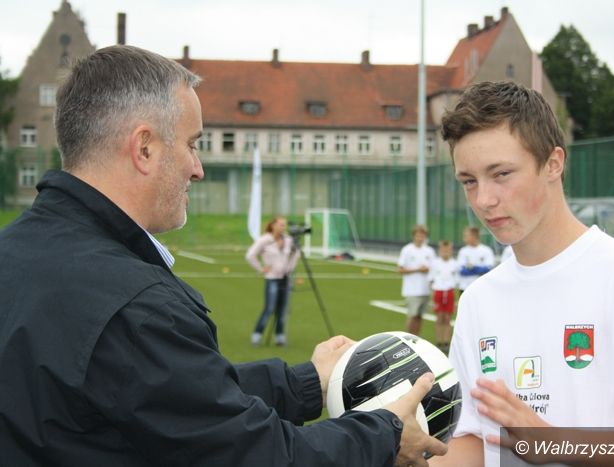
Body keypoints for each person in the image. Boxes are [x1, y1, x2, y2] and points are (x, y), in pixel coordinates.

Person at [0, 45, 448, 467]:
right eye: (193, 144)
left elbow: (179, 394)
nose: (198, 168)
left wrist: (308, 382)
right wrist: (387, 434)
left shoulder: (15, 251)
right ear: (144, 148)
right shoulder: (135, 306)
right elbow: (256, 453)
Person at [430, 81, 614, 466]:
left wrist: (556, 444)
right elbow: (473, 440)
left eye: (501, 173)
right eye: (469, 182)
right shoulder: (478, 299)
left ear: (553, 163)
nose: (484, 200)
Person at [246, 216, 299, 347]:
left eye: (284, 225)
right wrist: (261, 268)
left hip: (285, 279)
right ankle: (257, 335)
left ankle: (280, 336)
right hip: (272, 279)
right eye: (281, 225)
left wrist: (289, 269)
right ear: (273, 225)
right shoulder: (265, 240)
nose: (283, 227)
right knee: (269, 308)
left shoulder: (288, 240)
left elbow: (296, 253)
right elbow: (250, 255)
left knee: (282, 310)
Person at [398, 224, 436, 336]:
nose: (420, 238)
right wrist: (418, 269)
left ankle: (416, 338)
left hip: (425, 290)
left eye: (423, 236)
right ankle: (407, 338)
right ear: (414, 236)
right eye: (418, 235)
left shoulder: (429, 251)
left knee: (419, 317)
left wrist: (427, 269)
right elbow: (400, 269)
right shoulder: (407, 250)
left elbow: (435, 268)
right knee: (412, 316)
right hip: (411, 290)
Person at [428, 240, 459, 354]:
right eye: (443, 250)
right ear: (439, 251)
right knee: (439, 317)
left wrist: (455, 297)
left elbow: (457, 280)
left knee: (447, 318)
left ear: (451, 251)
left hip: (449, 292)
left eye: (448, 250)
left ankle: (446, 342)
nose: (445, 252)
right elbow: (431, 279)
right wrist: (433, 294)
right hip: (438, 292)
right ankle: (439, 341)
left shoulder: (455, 264)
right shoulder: (435, 263)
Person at [456, 227, 495, 294]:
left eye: (466, 235)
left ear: (474, 236)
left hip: (482, 287)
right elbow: (462, 271)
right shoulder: (463, 251)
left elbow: (488, 269)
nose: (464, 238)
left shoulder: (486, 250)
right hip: (465, 287)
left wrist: (472, 268)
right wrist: (478, 269)